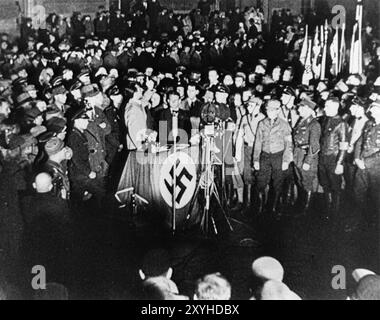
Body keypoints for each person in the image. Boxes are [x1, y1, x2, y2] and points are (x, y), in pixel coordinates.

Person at [253, 99, 293, 217]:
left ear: (278, 110)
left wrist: (286, 160)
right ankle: (261, 208)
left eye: (272, 110)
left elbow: (288, 144)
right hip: (265, 156)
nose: (269, 112)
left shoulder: (284, 124)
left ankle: (275, 208)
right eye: (268, 109)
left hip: (278, 156)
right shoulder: (262, 123)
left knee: (277, 183)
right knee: (261, 182)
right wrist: (256, 159)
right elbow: (258, 142)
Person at [319, 97, 348, 220]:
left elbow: (344, 145)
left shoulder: (341, 123)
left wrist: (339, 163)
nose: (324, 108)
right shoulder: (325, 120)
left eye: (327, 106)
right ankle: (328, 209)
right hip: (323, 157)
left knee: (335, 187)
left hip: (333, 159)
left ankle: (335, 214)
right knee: (325, 184)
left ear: (335, 108)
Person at [293, 98, 321, 216]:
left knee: (308, 181)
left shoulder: (314, 124)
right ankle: (302, 205)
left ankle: (307, 210)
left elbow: (314, 146)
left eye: (301, 107)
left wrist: (308, 161)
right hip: (298, 154)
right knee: (300, 180)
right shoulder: (301, 121)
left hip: (306, 156)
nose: (298, 109)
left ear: (308, 109)